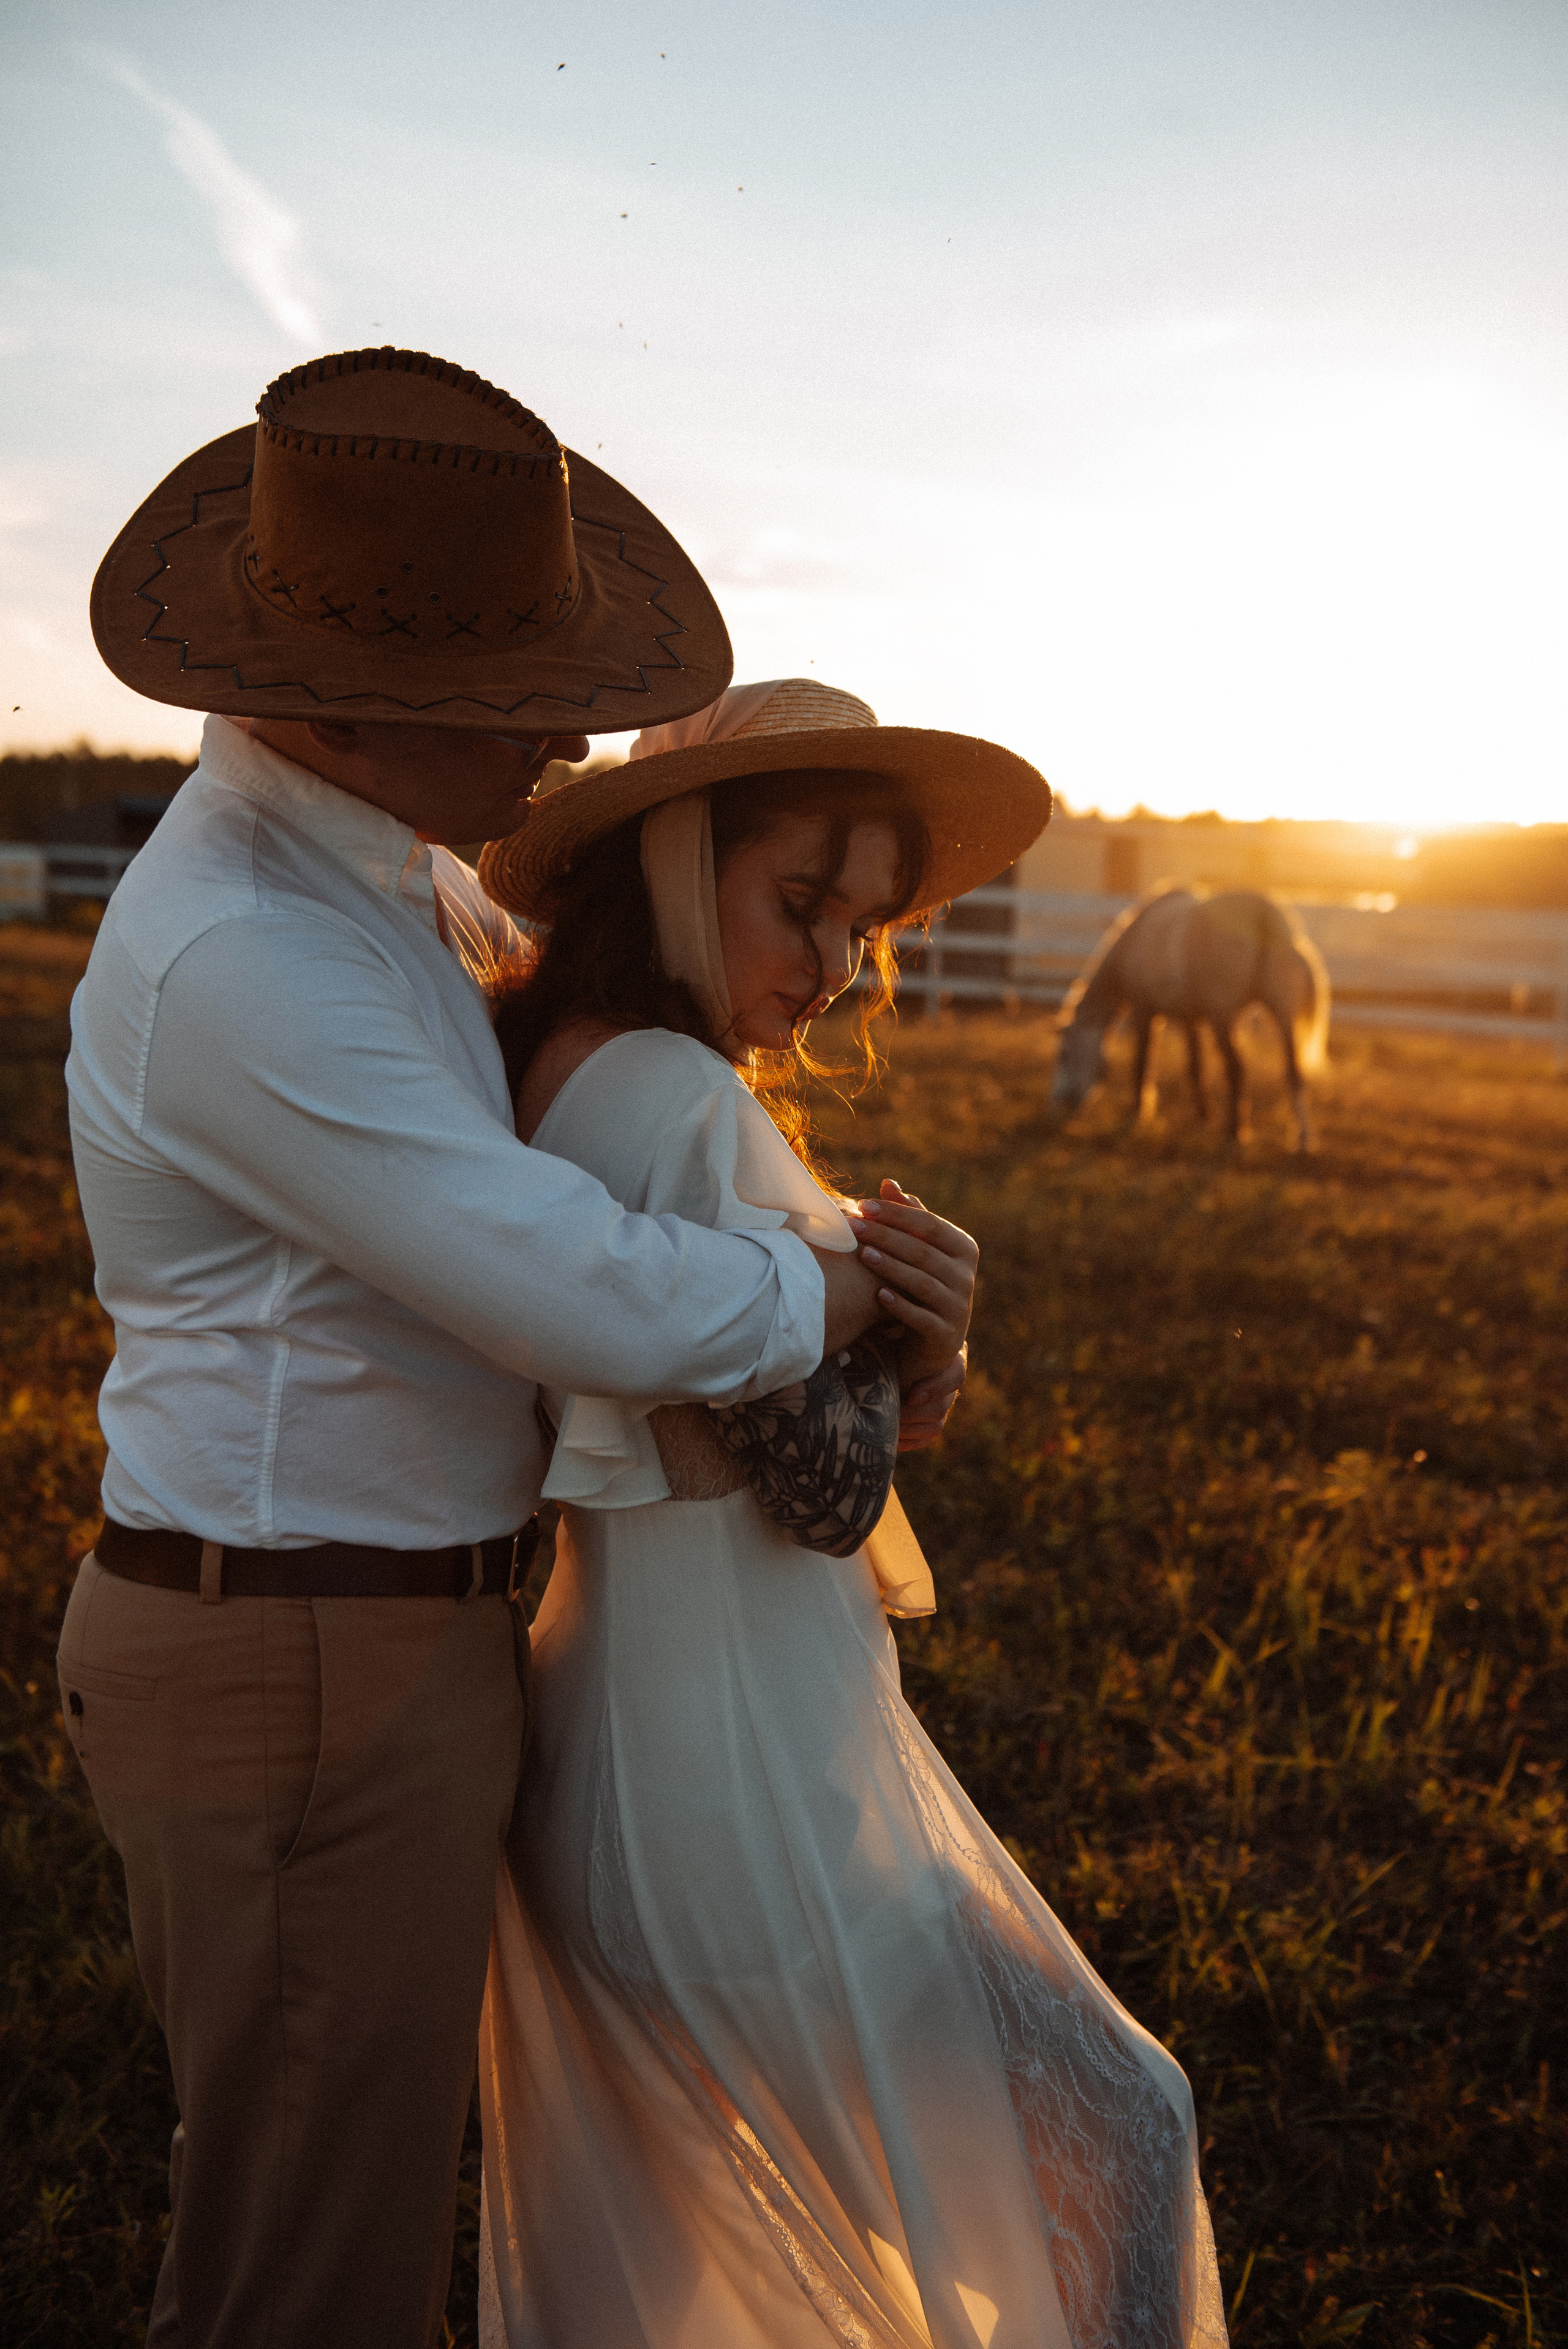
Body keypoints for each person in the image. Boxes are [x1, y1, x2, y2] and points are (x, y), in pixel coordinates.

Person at [56, 350, 933, 2349]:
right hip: (295, 1653)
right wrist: (845, 1292)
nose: (577, 730)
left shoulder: (394, 885)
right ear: (342, 703)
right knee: (308, 2272)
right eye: (520, 702)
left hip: (374, 1632)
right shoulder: (248, 949)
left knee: (351, 2214)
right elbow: (570, 1281)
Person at [473, 679, 1228, 2348]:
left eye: (862, 922)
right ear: (679, 863)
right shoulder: (673, 1098)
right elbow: (824, 1490)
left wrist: (891, 1344)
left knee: (693, 2260)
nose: (830, 964)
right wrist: (917, 1323)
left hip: (624, 1739)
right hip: (732, 1785)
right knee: (1125, 2122)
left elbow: (742, 1440)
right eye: (798, 902)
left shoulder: (561, 1070)